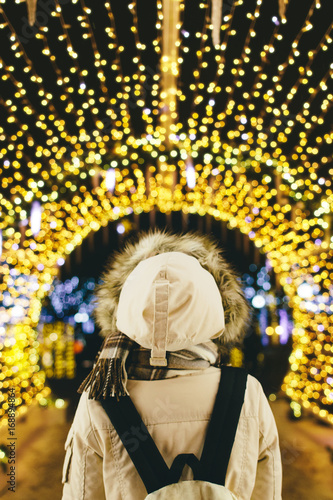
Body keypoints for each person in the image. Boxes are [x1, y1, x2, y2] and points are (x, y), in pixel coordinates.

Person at [61, 230, 282, 500]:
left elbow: (82, 493)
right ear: (214, 307)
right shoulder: (247, 392)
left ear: (125, 308)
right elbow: (267, 491)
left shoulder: (102, 396)